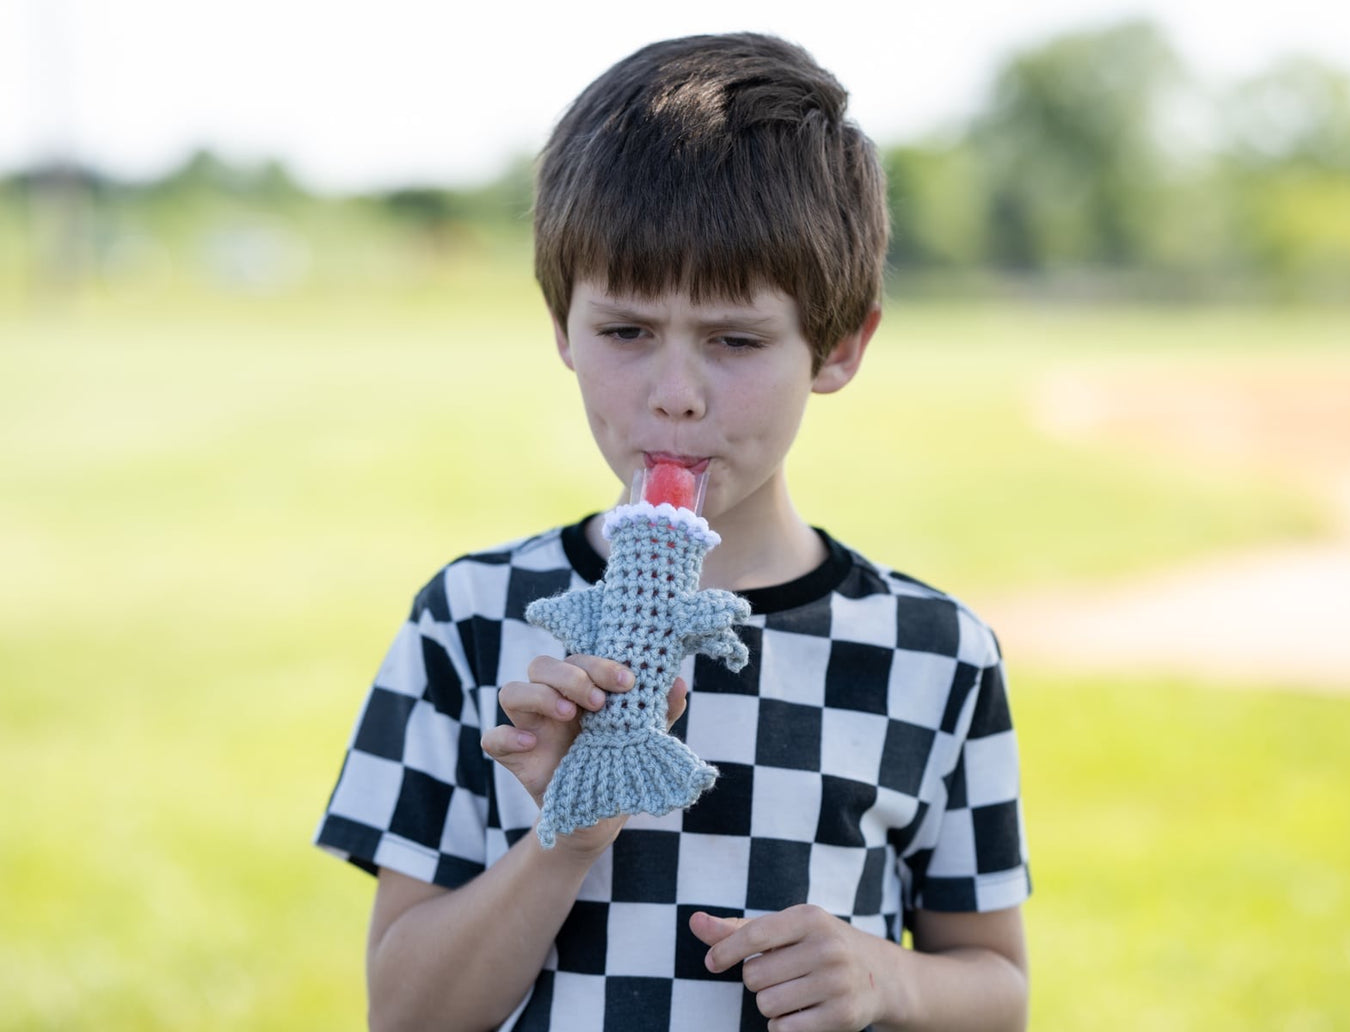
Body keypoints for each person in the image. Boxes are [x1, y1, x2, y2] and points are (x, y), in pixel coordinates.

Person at [315, 32, 1031, 1032]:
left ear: (837, 345)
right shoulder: (470, 619)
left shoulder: (931, 649)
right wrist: (568, 833)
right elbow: (405, 1011)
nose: (675, 398)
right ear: (560, 325)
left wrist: (889, 978)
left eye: (735, 341)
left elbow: (997, 988)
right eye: (625, 332)